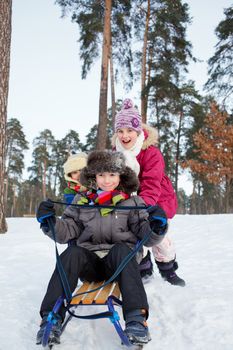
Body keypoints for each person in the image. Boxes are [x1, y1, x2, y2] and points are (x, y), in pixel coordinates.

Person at [36, 150, 168, 346]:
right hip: (90, 263)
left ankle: (136, 320)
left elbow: (146, 235)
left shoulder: (133, 202)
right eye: (102, 175)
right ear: (93, 177)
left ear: (121, 176)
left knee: (123, 250)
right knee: (72, 252)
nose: (107, 181)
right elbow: (67, 231)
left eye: (112, 175)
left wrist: (158, 226)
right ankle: (51, 317)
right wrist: (50, 223)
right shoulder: (82, 202)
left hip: (120, 264)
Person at [112, 98, 185, 287]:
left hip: (157, 201)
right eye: (120, 131)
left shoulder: (151, 152)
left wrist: (143, 206)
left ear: (138, 131)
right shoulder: (115, 153)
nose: (124, 135)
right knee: (133, 237)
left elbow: (152, 183)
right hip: (129, 203)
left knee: (159, 239)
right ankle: (143, 268)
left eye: (129, 130)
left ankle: (168, 270)